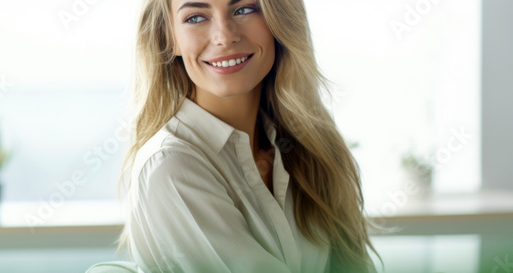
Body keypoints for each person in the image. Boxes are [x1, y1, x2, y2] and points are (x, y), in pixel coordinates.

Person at [117, 0, 381, 272]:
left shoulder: (304, 146)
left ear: (279, 22)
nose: (224, 36)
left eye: (244, 9)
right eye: (196, 17)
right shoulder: (171, 166)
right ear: (168, 37)